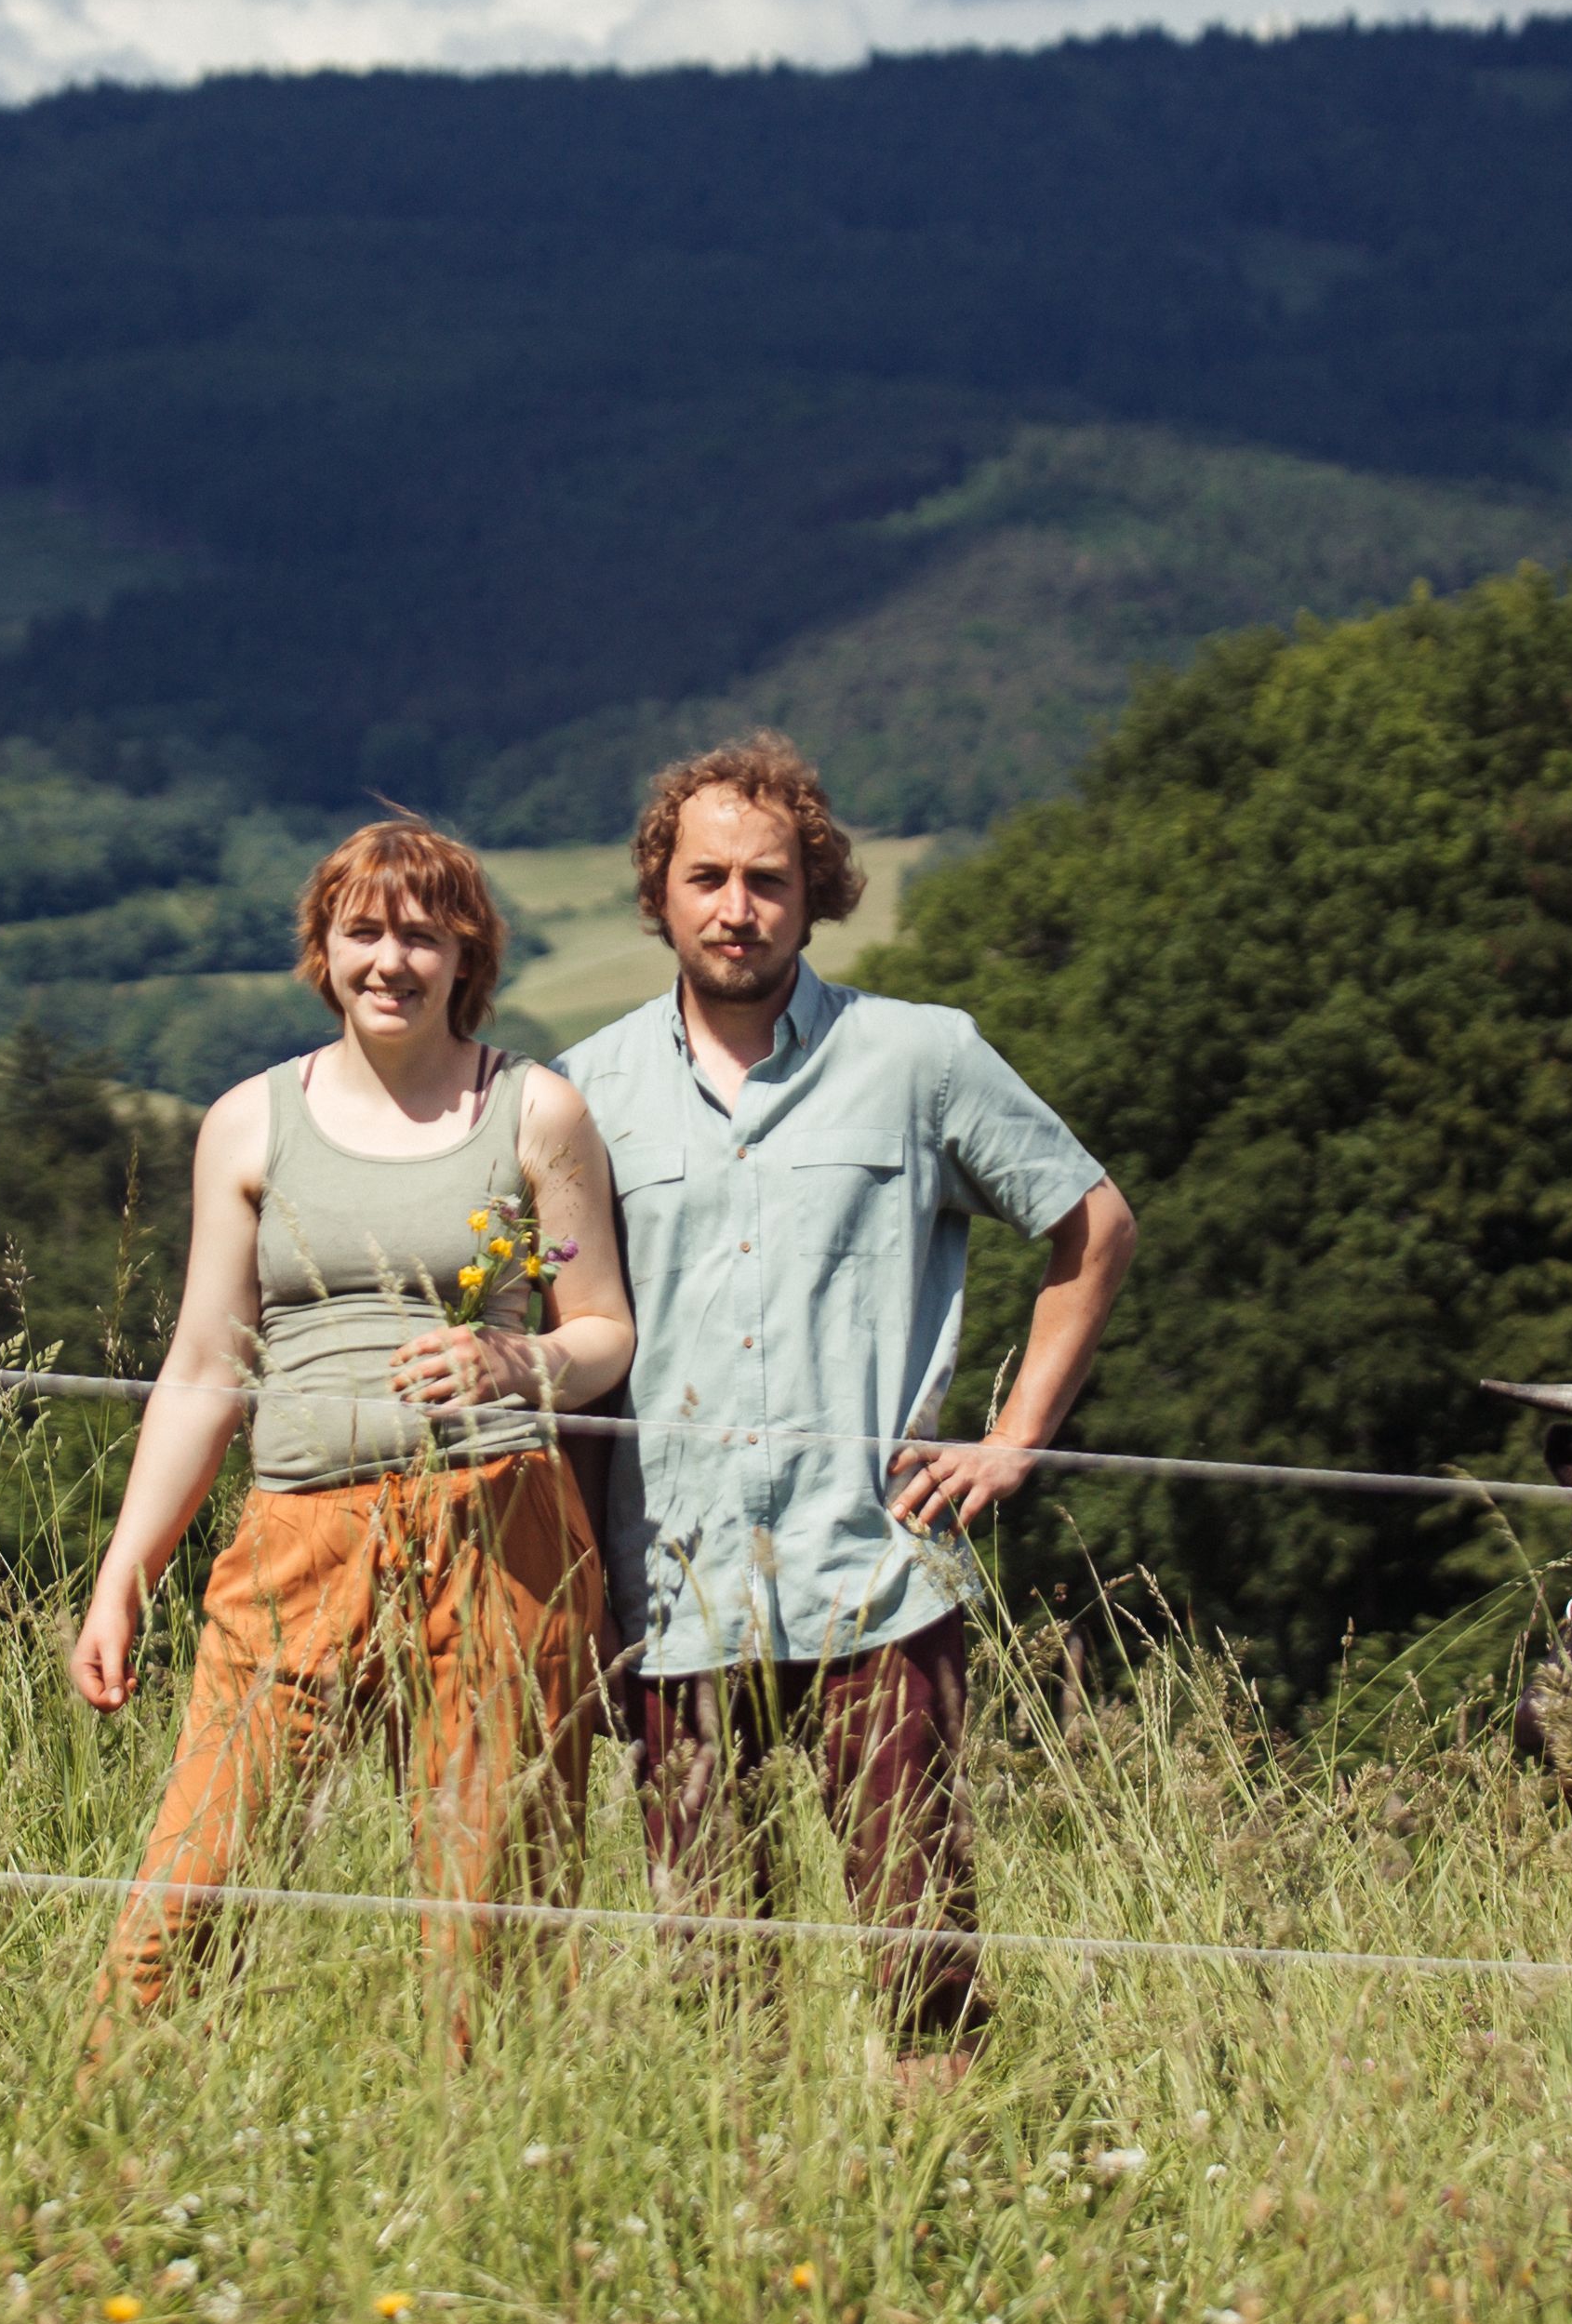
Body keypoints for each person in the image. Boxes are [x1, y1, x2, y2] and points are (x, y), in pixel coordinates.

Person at [558, 733, 1136, 2083]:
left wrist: (1014, 1439)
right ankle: (759, 2241)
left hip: (878, 1581)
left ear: (815, 894)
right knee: (714, 1979)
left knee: (926, 1956)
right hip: (674, 1597)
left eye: (768, 879)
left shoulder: (920, 1058)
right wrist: (580, 1591)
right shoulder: (581, 1093)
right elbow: (567, 1352)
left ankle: (948, 2213)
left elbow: (1093, 1223)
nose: (736, 908)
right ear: (661, 895)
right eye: (706, 877)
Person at [72, 818, 638, 2036]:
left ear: (466, 955)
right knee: (199, 1869)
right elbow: (205, 1365)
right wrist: (128, 1569)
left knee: (495, 1898)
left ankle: (493, 2175)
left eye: (421, 935)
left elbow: (603, 1333)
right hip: (298, 1535)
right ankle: (108, 2160)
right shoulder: (247, 1122)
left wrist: (517, 1358)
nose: (391, 960)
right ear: (322, 951)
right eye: (363, 931)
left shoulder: (538, 1113)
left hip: (500, 1529)